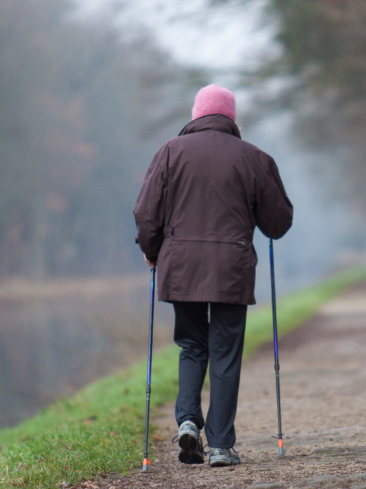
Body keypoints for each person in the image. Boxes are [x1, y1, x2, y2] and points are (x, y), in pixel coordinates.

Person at [134, 84, 293, 467]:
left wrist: (152, 252)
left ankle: (188, 421)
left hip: (182, 266)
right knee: (225, 351)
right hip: (231, 269)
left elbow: (145, 213)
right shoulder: (254, 157)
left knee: (192, 345)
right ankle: (220, 445)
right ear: (230, 117)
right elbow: (278, 222)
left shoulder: (170, 152)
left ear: (196, 115)